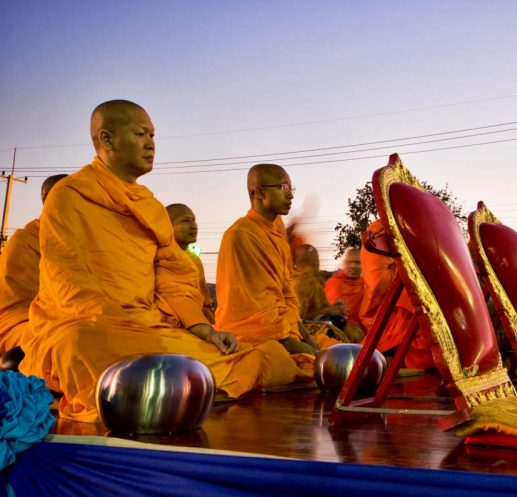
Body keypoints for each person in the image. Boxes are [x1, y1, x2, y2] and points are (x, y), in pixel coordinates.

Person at [20, 100, 307, 422]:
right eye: (141, 134)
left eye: (153, 136)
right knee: (81, 344)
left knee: (248, 357)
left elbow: (173, 277)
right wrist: (125, 322)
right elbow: (70, 285)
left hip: (148, 325)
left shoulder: (150, 206)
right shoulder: (71, 195)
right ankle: (179, 383)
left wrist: (204, 330)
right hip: (91, 325)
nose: (150, 145)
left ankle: (172, 383)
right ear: (107, 139)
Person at [215, 163, 320, 357]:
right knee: (285, 364)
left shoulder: (277, 238)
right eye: (283, 188)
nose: (290, 195)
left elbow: (286, 295)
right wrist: (299, 346)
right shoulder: (241, 235)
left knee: (331, 345)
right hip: (251, 333)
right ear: (260, 193)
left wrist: (306, 338)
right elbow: (257, 309)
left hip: (282, 327)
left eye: (291, 188)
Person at [0, 174, 67, 356]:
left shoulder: (77, 239)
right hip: (22, 323)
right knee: (66, 340)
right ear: (48, 199)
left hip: (70, 320)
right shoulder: (26, 240)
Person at [359, 220, 435, 369]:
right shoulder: (430, 226)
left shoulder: (378, 229)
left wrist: (367, 312)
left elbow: (376, 286)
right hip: (438, 310)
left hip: (408, 312)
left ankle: (391, 361)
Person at [166, 203, 215, 324]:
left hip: (197, 319)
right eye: (185, 221)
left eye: (194, 220)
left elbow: (204, 302)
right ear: (168, 226)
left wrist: (212, 326)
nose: (193, 226)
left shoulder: (195, 260)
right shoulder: (160, 256)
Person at [324, 247, 365, 340]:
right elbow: (336, 308)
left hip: (364, 330)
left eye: (357, 262)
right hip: (340, 331)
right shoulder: (334, 282)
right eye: (349, 262)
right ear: (344, 263)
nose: (353, 266)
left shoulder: (366, 284)